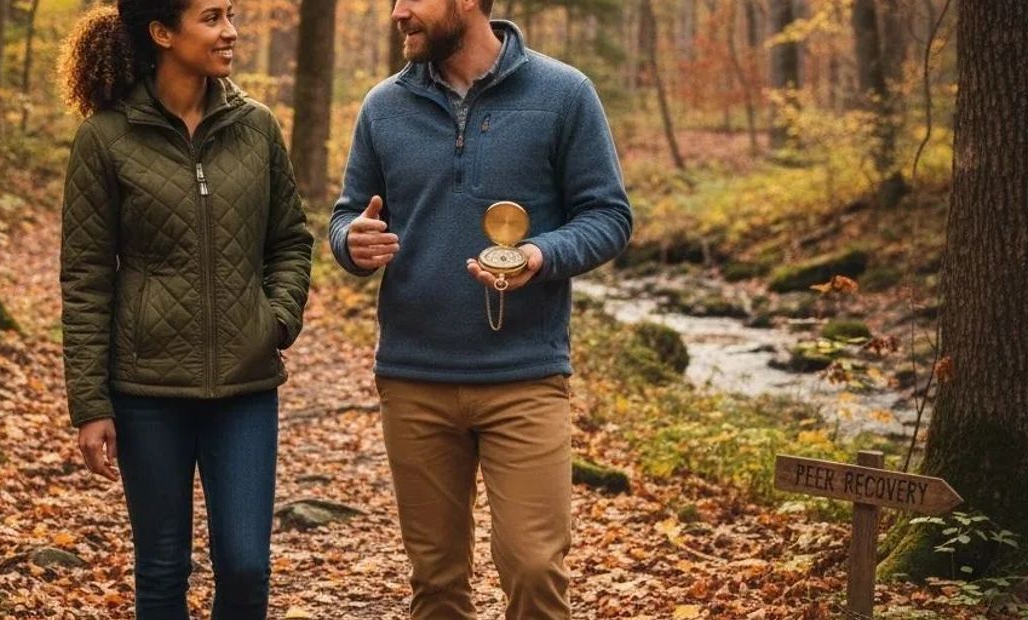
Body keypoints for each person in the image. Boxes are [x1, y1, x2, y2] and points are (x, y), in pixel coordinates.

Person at [329, 0, 633, 618]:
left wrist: (540, 255)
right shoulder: (382, 105)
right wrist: (351, 243)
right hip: (414, 378)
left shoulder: (564, 93)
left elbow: (609, 215)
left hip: (525, 377)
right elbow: (346, 214)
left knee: (534, 569)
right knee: (437, 585)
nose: (397, 13)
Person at [58, 1, 312, 618]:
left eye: (230, 15)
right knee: (163, 568)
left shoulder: (256, 127)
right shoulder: (105, 139)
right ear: (162, 32)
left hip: (246, 388)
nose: (230, 31)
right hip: (146, 392)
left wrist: (275, 320)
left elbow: (291, 240)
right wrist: (90, 404)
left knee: (247, 568)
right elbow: (86, 279)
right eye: (211, 17)